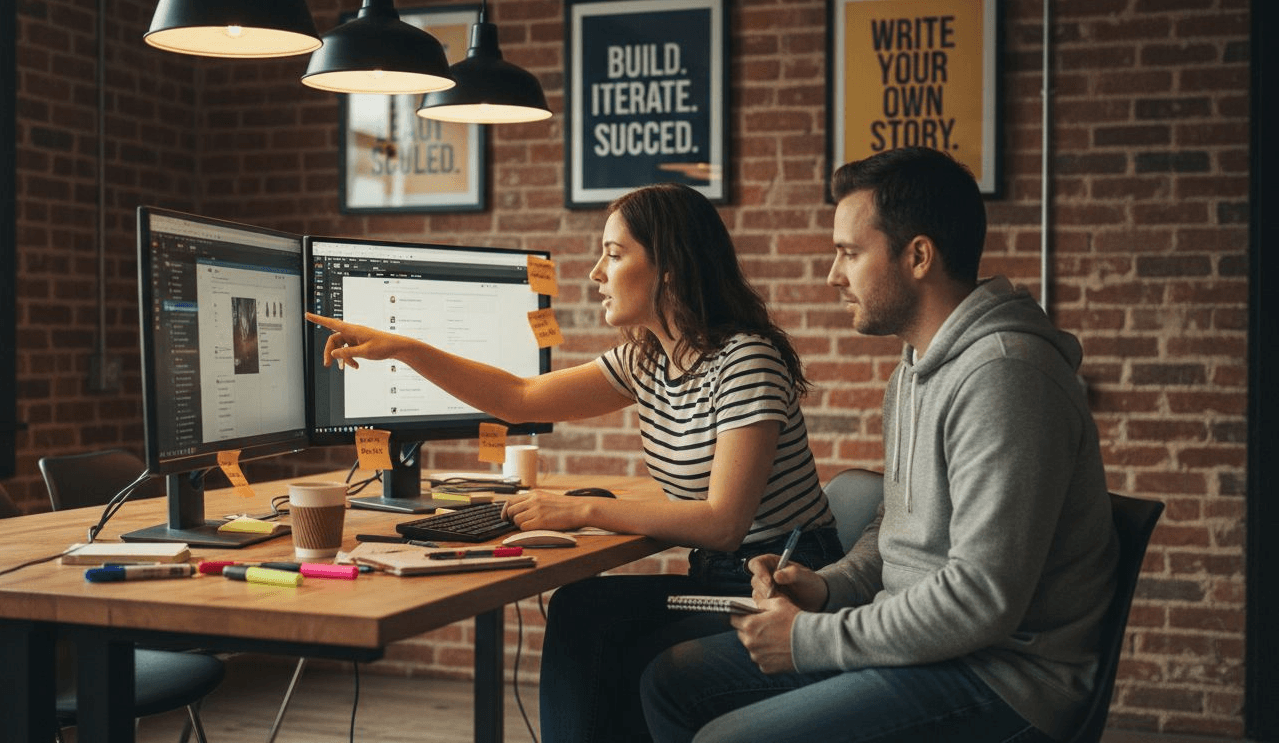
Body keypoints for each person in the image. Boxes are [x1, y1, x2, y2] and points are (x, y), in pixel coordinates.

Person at [305, 182, 843, 742]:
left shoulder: (745, 360)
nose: (595, 273)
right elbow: (519, 398)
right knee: (581, 609)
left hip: (786, 579)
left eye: (614, 254)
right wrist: (404, 348)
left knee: (628, 656)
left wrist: (579, 512)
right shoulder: (647, 360)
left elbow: (723, 522)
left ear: (668, 269)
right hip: (718, 574)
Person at [640, 147, 1120, 743]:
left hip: (999, 678)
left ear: (918, 255)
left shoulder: (1005, 376)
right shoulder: (915, 370)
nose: (833, 275)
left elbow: (981, 597)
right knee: (671, 679)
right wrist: (825, 586)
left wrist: (808, 639)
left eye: (849, 253)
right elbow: (896, 533)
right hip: (919, 649)